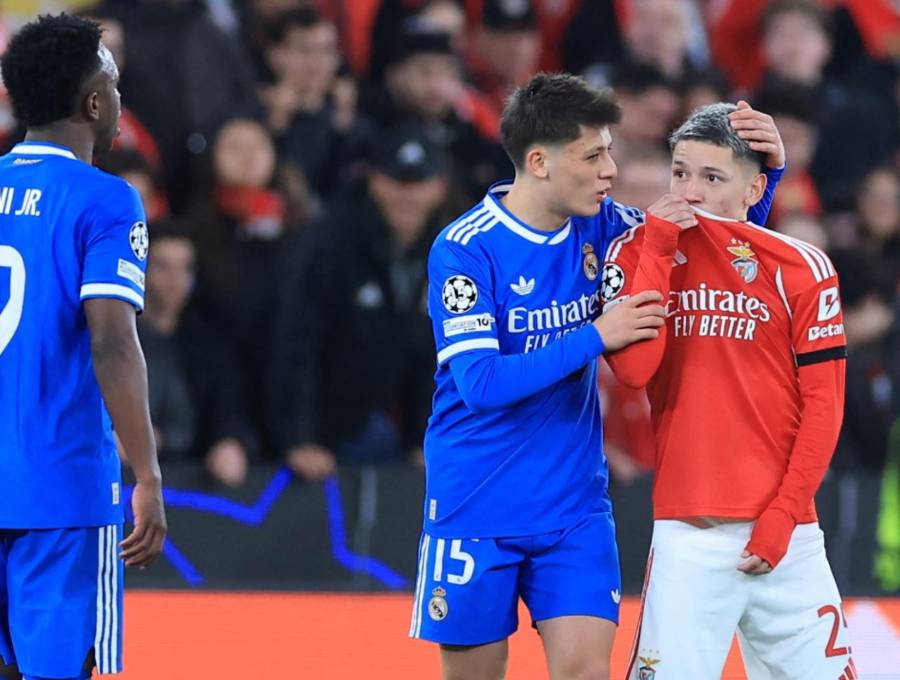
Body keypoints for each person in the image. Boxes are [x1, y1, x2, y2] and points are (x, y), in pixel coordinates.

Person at [409, 72, 782, 680]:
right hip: (475, 504)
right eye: (593, 154)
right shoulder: (466, 248)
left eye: (610, 148)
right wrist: (595, 336)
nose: (612, 168)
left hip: (574, 506)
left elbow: (720, 251)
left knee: (586, 672)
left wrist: (767, 174)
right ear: (539, 161)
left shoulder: (604, 226)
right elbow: (480, 385)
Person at [600, 103, 853, 679]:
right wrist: (660, 249)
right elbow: (635, 372)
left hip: (788, 535)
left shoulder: (802, 267)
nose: (690, 193)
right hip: (688, 537)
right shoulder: (634, 253)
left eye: (712, 179)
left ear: (754, 188)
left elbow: (824, 405)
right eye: (681, 172)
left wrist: (785, 516)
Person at [0, 14, 166, 680]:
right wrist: (148, 473)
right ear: (93, 102)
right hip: (61, 488)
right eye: (115, 84)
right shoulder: (105, 200)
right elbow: (112, 343)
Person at [271, 125, 450, 479]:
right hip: (327, 432)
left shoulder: (446, 252)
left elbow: (434, 353)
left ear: (439, 188)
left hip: (387, 428)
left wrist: (424, 440)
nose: (408, 196)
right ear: (376, 182)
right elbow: (297, 341)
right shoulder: (330, 244)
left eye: (419, 184)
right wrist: (299, 438)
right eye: (398, 182)